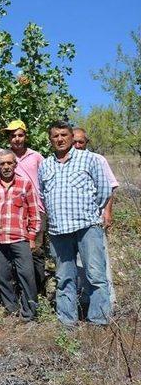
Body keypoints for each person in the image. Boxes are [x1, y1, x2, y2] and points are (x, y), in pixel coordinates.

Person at [39, 121, 112, 327]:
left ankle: (99, 321)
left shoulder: (89, 159)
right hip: (58, 230)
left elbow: (104, 190)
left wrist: (88, 213)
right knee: (64, 278)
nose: (60, 139)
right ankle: (67, 322)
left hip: (87, 227)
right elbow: (42, 197)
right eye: (55, 136)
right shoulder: (46, 164)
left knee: (96, 275)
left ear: (72, 137)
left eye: (64, 135)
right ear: (50, 140)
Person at [0, 150, 40, 320]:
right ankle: (12, 309)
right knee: (1, 276)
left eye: (9, 163)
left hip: (19, 237)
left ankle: (30, 313)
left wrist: (32, 236)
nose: (6, 167)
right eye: (2, 164)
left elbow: (34, 212)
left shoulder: (25, 184)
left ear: (15, 164)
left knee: (27, 275)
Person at [0, 120, 47, 295]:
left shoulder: (36, 157)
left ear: (25, 136)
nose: (16, 139)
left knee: (35, 252)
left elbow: (46, 180)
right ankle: (16, 291)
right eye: (13, 135)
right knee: (11, 255)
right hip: (12, 213)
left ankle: (37, 293)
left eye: (20, 135)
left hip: (35, 210)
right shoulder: (2, 155)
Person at [72, 127, 119, 304]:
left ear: (87, 143)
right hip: (74, 221)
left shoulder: (97, 159)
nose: (77, 145)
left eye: (81, 142)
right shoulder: (65, 161)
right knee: (79, 263)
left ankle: (109, 301)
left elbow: (110, 187)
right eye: (74, 141)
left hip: (94, 220)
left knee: (99, 260)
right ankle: (84, 300)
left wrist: (107, 212)